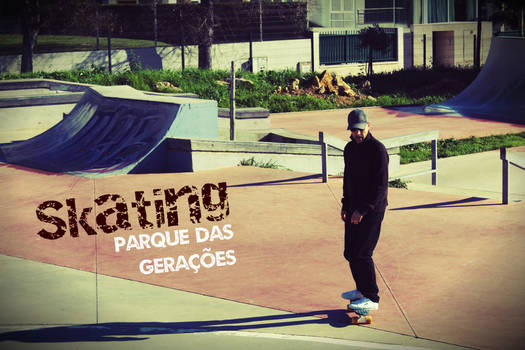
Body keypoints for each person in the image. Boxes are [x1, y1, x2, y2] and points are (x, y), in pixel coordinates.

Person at [340, 108, 389, 311]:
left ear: (369, 126)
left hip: (372, 210)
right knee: (350, 252)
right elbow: (347, 179)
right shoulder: (349, 149)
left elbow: (380, 186)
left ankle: (372, 297)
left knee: (362, 253)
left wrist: (363, 210)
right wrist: (345, 204)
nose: (357, 134)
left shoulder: (377, 150)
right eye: (354, 130)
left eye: (361, 129)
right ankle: (361, 289)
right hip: (353, 208)